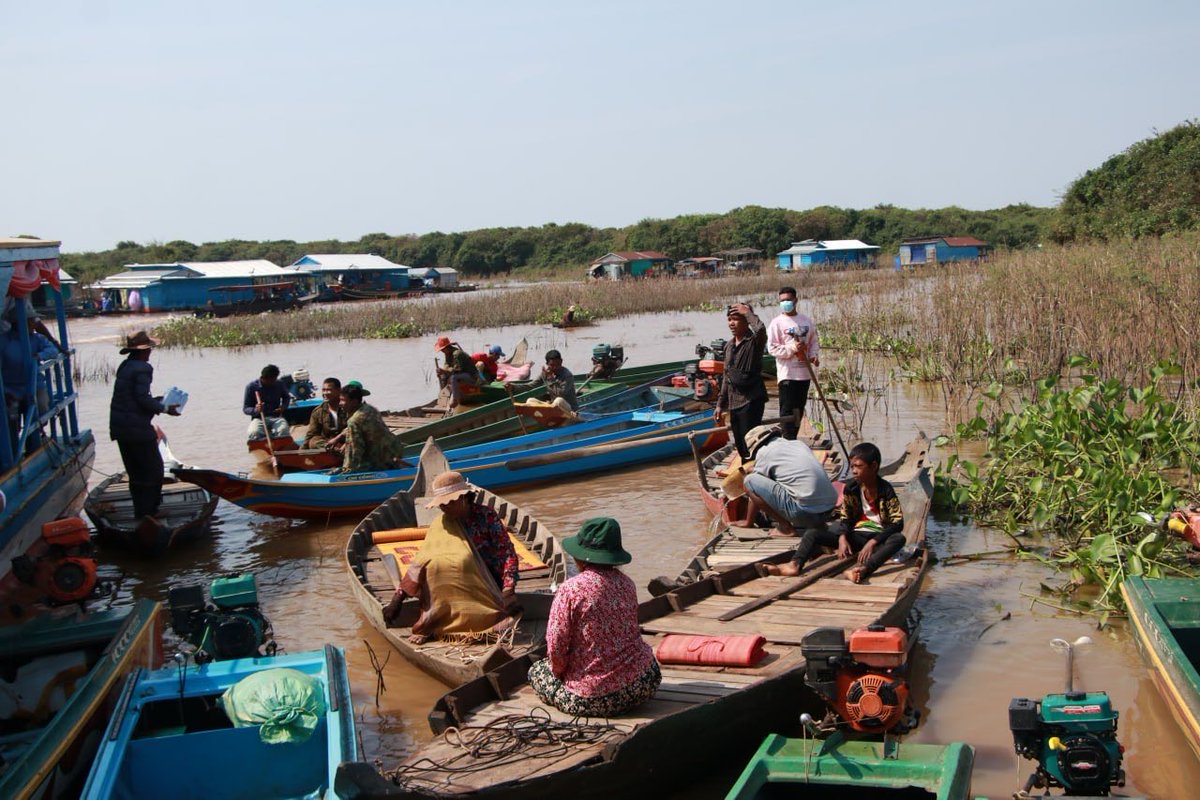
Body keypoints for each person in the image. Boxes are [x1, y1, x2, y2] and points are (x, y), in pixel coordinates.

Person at [527, 517, 661, 717]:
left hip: (595, 697)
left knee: (536, 672)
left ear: (581, 558)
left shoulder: (570, 590)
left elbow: (556, 646)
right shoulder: (627, 584)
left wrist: (559, 673)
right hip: (645, 680)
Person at [383, 470, 519, 644]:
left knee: (465, 562)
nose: (443, 508)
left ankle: (485, 622)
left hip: (487, 582)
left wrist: (508, 589)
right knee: (433, 566)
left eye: (448, 503)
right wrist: (398, 598)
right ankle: (434, 623)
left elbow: (506, 553)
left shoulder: (486, 517)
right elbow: (420, 562)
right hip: (448, 592)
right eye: (441, 505)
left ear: (463, 498)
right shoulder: (440, 525)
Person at [766, 442, 906, 584]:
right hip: (856, 536)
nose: (854, 471)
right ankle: (795, 564)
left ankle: (863, 569)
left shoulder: (886, 490)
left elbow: (897, 523)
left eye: (859, 466)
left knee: (898, 539)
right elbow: (846, 517)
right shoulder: (852, 488)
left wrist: (872, 542)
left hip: (878, 539)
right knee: (813, 533)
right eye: (852, 467)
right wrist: (842, 538)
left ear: (874, 466)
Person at [108, 331, 180, 520]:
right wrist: (165, 408)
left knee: (136, 473)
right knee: (154, 471)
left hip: (119, 428)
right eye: (149, 349)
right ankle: (151, 512)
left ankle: (140, 512)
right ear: (143, 351)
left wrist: (155, 402)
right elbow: (141, 399)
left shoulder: (125, 366)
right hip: (137, 429)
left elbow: (132, 399)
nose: (150, 353)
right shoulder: (143, 368)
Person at [741, 424, 838, 538]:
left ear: (756, 447)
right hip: (829, 508)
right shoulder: (798, 444)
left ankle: (785, 527)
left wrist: (748, 522)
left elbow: (753, 485)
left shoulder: (764, 452)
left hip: (805, 513)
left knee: (749, 480)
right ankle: (819, 524)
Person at [714, 302, 767, 459]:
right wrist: (719, 404)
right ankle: (746, 477)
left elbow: (761, 330)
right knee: (740, 445)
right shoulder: (729, 346)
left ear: (746, 320)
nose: (732, 323)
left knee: (752, 443)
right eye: (730, 319)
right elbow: (726, 376)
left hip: (751, 400)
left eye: (736, 319)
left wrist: (748, 312)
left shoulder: (753, 342)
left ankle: (758, 475)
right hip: (734, 402)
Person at [767, 286, 819, 440]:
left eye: (788, 300)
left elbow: (814, 342)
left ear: (796, 300)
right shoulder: (776, 323)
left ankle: (793, 438)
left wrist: (813, 355)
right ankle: (787, 441)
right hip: (787, 375)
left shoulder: (806, 321)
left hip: (804, 374)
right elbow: (772, 348)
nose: (785, 303)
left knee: (799, 410)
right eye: (782, 301)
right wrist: (791, 348)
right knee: (787, 411)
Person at [331, 381, 411, 473]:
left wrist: (348, 470)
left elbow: (354, 449)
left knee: (351, 468)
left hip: (379, 458)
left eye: (343, 400)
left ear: (354, 402)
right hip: (394, 450)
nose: (340, 403)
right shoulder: (369, 408)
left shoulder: (354, 420)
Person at [242, 364, 290, 441]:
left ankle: (281, 448)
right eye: (272, 380)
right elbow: (246, 408)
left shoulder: (279, 384)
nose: (274, 382)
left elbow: (286, 397)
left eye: (275, 379)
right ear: (264, 378)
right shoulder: (251, 387)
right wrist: (256, 410)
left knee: (283, 430)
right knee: (254, 433)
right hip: (259, 418)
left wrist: (283, 407)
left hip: (276, 417)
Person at [435, 336, 482, 410]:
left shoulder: (457, 354)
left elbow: (457, 370)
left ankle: (455, 400)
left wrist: (445, 371)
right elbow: (447, 366)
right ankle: (444, 398)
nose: (442, 351)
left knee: (454, 377)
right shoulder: (448, 354)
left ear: (446, 348)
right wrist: (442, 372)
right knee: (444, 376)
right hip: (462, 375)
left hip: (472, 377)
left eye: (442, 350)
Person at [302, 377, 346, 449]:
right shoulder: (318, 411)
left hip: (346, 441)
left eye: (329, 390)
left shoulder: (347, 407)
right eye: (323, 390)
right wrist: (301, 452)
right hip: (328, 443)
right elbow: (311, 434)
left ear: (339, 390)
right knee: (313, 441)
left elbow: (352, 428)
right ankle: (335, 450)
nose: (325, 393)